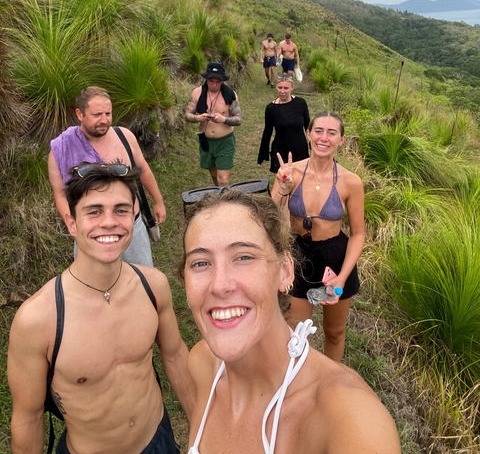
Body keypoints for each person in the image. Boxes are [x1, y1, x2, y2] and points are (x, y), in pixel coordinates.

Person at [181, 190, 400, 454]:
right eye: (200, 262)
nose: (219, 285)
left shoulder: (350, 418)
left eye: (244, 257)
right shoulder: (201, 364)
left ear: (285, 270)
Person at [8, 162, 195, 454]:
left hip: (158, 439)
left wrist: (200, 427)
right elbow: (28, 418)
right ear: (72, 223)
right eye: (94, 211)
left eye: (120, 210)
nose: (109, 222)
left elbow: (175, 357)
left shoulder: (153, 287)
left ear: (133, 216)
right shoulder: (39, 319)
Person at [271, 111, 364, 362]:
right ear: (308, 134)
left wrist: (342, 278)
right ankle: (296, 382)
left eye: (331, 133)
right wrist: (283, 188)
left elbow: (357, 234)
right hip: (298, 254)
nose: (324, 138)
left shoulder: (351, 182)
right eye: (319, 131)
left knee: (334, 332)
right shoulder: (290, 172)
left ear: (341, 140)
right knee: (295, 332)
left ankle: (330, 383)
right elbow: (273, 219)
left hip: (335, 256)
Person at [48, 86, 166, 267]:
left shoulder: (124, 137)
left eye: (108, 114)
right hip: (90, 230)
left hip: (130, 224)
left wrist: (158, 202)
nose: (104, 120)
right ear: (80, 114)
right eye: (97, 115)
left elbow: (143, 169)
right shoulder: (62, 148)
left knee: (142, 279)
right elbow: (60, 193)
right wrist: (73, 224)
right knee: (93, 286)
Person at [185, 62, 242, 186]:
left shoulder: (230, 95)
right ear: (207, 79)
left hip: (225, 141)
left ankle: (226, 202)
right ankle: (220, 196)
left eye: (218, 82)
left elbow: (238, 119)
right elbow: (188, 115)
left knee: (223, 179)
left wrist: (224, 119)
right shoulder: (197, 93)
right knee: (214, 175)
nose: (214, 84)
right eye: (211, 81)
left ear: (222, 81)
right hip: (206, 141)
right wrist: (198, 117)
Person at [257, 74, 310, 174]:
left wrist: (313, 146)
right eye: (279, 87)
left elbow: (308, 127)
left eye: (286, 88)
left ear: (292, 88)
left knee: (299, 182)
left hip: (300, 149)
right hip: (280, 150)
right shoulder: (271, 108)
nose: (282, 91)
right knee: (282, 181)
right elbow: (267, 132)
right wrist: (263, 154)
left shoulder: (301, 103)